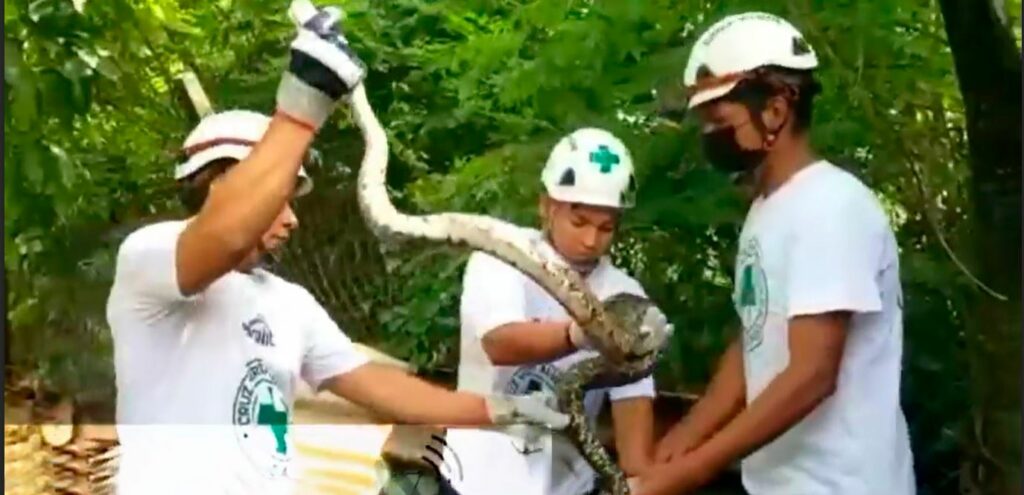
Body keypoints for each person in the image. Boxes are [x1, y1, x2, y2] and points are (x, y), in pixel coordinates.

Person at [105, 5, 567, 495]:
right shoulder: (149, 260)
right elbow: (226, 235)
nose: (293, 218)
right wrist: (307, 95)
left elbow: (379, 386)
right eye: (280, 198)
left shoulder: (289, 304)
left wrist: (497, 410)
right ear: (224, 184)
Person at [632, 12, 915, 495]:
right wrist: (686, 435)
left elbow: (812, 373)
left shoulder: (831, 207)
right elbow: (757, 339)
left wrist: (692, 470)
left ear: (777, 110)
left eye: (720, 121)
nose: (710, 137)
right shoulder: (769, 210)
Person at [441, 128, 675, 495]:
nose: (590, 240)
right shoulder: (503, 257)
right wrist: (583, 332)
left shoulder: (625, 295)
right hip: (475, 482)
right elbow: (500, 343)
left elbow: (633, 413)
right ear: (546, 206)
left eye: (606, 227)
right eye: (579, 222)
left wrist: (638, 477)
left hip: (567, 487)